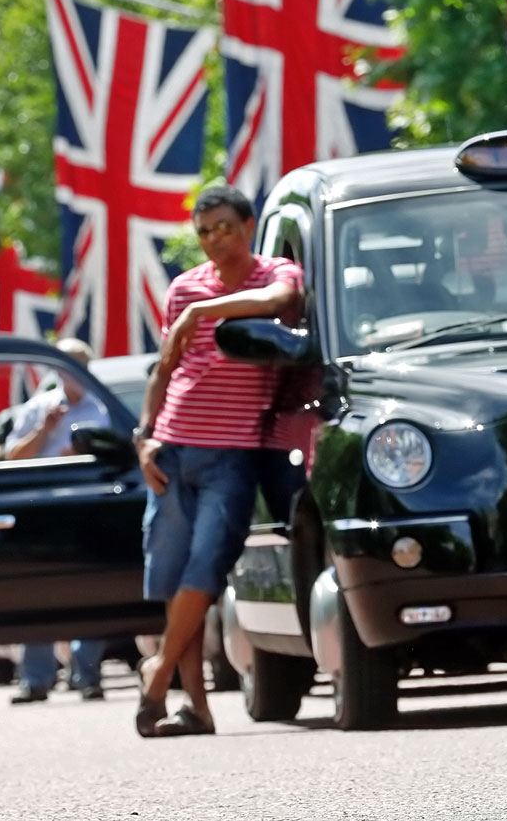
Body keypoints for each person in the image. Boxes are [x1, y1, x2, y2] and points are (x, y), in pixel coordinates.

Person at [133, 184, 303, 738]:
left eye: (224, 227)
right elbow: (165, 369)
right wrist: (144, 437)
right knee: (179, 575)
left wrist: (206, 311)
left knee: (206, 570)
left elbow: (278, 303)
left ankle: (159, 676)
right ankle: (197, 708)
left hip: (233, 454)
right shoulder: (184, 288)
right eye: (203, 232)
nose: (213, 240)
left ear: (249, 225)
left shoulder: (274, 273)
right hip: (172, 448)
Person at [3, 337, 111, 704]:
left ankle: (87, 673)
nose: (74, 372)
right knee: (39, 591)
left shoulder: (101, 409)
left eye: (80, 364)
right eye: (67, 365)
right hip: (42, 509)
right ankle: (35, 678)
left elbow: (116, 452)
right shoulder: (37, 409)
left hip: (87, 508)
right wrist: (44, 432)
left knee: (90, 591)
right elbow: (12, 457)